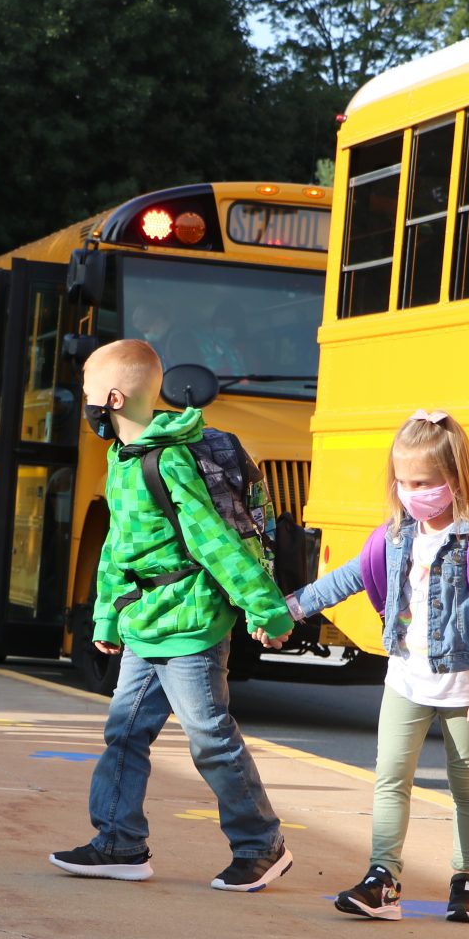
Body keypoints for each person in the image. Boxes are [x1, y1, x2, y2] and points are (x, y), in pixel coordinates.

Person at [47, 339, 295, 891]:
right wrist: (107, 619)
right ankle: (119, 842)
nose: (83, 400)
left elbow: (211, 541)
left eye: (87, 389)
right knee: (125, 732)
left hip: (190, 624)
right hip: (145, 623)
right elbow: (118, 547)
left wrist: (265, 606)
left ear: (111, 397)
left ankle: (261, 843)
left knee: (210, 736)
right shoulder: (122, 457)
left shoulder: (168, 458)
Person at [285, 410, 469, 923]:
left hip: (464, 684)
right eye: (403, 481)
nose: (412, 492)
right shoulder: (395, 536)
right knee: (390, 777)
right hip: (406, 679)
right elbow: (344, 579)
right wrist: (291, 608)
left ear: (453, 479)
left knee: (468, 785)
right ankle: (382, 880)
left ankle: (466, 878)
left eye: (424, 483)